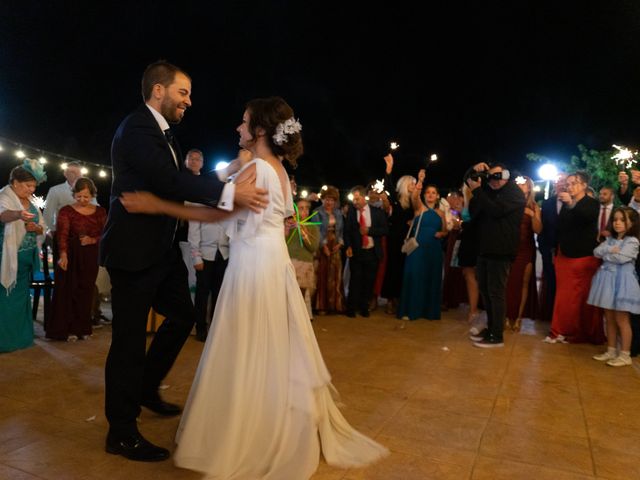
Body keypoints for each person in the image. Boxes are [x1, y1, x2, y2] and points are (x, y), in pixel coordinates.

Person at [121, 96, 388, 478]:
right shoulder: (275, 168)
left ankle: (249, 433)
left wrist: (157, 205)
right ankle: (270, 419)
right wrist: (232, 167)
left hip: (253, 265)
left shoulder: (260, 168)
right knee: (269, 346)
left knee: (248, 344)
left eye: (244, 122)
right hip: (270, 260)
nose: (238, 128)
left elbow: (216, 211)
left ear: (260, 130)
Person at [99, 60, 268, 462]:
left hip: (160, 251)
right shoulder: (138, 128)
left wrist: (229, 170)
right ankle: (121, 431)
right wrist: (230, 196)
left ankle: (146, 386)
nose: (189, 101)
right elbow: (171, 182)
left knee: (183, 316)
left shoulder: (165, 135)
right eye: (183, 92)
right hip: (132, 252)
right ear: (158, 90)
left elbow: (182, 181)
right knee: (128, 342)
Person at [466, 162, 525, 348]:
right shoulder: (490, 190)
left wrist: (479, 191)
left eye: (498, 176)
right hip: (485, 248)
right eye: (491, 177)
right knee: (485, 290)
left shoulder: (514, 193)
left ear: (507, 175)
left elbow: (496, 210)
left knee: (496, 293)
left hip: (502, 250)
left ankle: (497, 335)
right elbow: (468, 180)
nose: (494, 181)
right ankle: (491, 328)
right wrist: (474, 169)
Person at [545, 172, 604, 344]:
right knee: (563, 296)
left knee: (579, 297)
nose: (569, 186)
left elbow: (586, 218)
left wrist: (571, 203)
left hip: (583, 256)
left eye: (573, 183)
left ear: (584, 185)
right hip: (565, 254)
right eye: (568, 184)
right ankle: (561, 330)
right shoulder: (566, 203)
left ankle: (577, 332)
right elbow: (562, 226)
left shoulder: (592, 203)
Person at [46, 178, 107, 341]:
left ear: (92, 195)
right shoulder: (66, 211)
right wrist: (63, 255)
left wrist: (92, 240)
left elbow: (106, 234)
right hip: (70, 254)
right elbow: (62, 235)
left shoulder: (101, 212)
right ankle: (67, 329)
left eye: (86, 196)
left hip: (91, 255)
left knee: (86, 291)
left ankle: (82, 328)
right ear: (74, 194)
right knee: (68, 290)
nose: (82, 200)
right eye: (78, 196)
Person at [0, 161, 47, 352]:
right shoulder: (4, 196)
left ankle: (22, 337)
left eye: (34, 186)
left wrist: (36, 228)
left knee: (21, 299)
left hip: (26, 261)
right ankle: (6, 341)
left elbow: (42, 227)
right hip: (6, 259)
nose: (32, 189)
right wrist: (18, 214)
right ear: (15, 182)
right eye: (28, 185)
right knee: (5, 299)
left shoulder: (33, 202)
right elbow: (2, 215)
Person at [588, 206, 640, 367]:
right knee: (609, 317)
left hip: (623, 282)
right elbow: (597, 251)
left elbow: (622, 258)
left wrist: (608, 254)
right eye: (615, 219)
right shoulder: (611, 240)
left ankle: (625, 354)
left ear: (632, 223)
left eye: (622, 220)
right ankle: (611, 350)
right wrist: (611, 249)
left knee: (621, 319)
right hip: (607, 281)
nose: (617, 223)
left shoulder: (632, 240)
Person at [396, 175, 447, 323]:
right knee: (414, 276)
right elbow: (414, 197)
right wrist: (420, 181)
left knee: (431, 278)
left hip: (434, 249)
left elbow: (445, 231)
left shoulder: (441, 213)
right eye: (428, 192)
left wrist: (442, 233)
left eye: (433, 193)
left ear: (437, 196)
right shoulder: (419, 208)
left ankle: (428, 311)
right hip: (417, 248)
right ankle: (410, 310)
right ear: (424, 195)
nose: (430, 195)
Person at [188, 194, 230, 342]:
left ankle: (215, 329)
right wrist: (196, 257)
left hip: (224, 255)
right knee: (202, 295)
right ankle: (200, 328)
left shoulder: (227, 205)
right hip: (205, 255)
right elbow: (193, 233)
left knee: (219, 294)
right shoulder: (199, 205)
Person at [344, 185, 389, 318]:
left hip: (372, 252)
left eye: (357, 199)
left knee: (368, 281)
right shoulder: (351, 213)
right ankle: (351, 308)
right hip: (357, 252)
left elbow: (385, 230)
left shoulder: (377, 212)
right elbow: (347, 232)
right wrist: (348, 246)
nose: (355, 202)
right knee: (355, 281)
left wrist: (370, 231)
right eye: (354, 199)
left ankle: (364, 307)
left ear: (364, 198)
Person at [504, 176, 541, 332]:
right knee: (507, 282)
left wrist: (531, 215)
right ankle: (505, 317)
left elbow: (538, 230)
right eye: (517, 184)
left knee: (523, 283)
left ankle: (518, 318)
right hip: (508, 248)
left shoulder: (534, 206)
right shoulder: (508, 204)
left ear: (529, 188)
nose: (520, 186)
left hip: (526, 249)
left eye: (523, 184)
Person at [380, 154, 416, 314]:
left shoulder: (415, 202)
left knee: (404, 268)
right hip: (395, 237)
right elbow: (388, 187)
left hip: (408, 239)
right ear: (405, 184)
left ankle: (401, 297)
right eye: (412, 183)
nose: (414, 185)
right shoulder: (396, 199)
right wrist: (389, 169)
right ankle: (389, 298)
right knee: (392, 267)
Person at [537, 173, 567, 322]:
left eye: (563, 181)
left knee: (565, 286)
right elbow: (542, 228)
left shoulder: (574, 203)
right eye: (558, 181)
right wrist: (543, 249)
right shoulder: (548, 203)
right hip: (548, 251)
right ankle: (550, 316)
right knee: (550, 282)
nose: (560, 184)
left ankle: (562, 317)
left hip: (568, 253)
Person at [285, 198, 320, 318]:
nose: (304, 211)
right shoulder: (288, 225)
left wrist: (302, 230)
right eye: (301, 208)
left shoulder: (312, 227)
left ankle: (299, 321)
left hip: (304, 266)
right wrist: (287, 229)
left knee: (300, 296)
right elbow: (283, 243)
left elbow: (313, 247)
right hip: (289, 264)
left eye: (306, 208)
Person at [313, 185, 345, 314]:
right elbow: (316, 231)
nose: (329, 202)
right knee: (322, 274)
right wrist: (324, 246)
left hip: (335, 245)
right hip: (322, 245)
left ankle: (335, 305)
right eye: (327, 199)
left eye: (332, 199)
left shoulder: (338, 212)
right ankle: (321, 306)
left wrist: (340, 244)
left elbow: (341, 230)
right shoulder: (317, 212)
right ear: (323, 199)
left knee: (335, 273)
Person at [42, 161, 84, 234]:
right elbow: (48, 214)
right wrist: (53, 231)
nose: (77, 175)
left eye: (79, 173)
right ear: (65, 174)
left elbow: (95, 209)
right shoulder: (56, 190)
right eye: (73, 172)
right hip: (63, 233)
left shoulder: (88, 190)